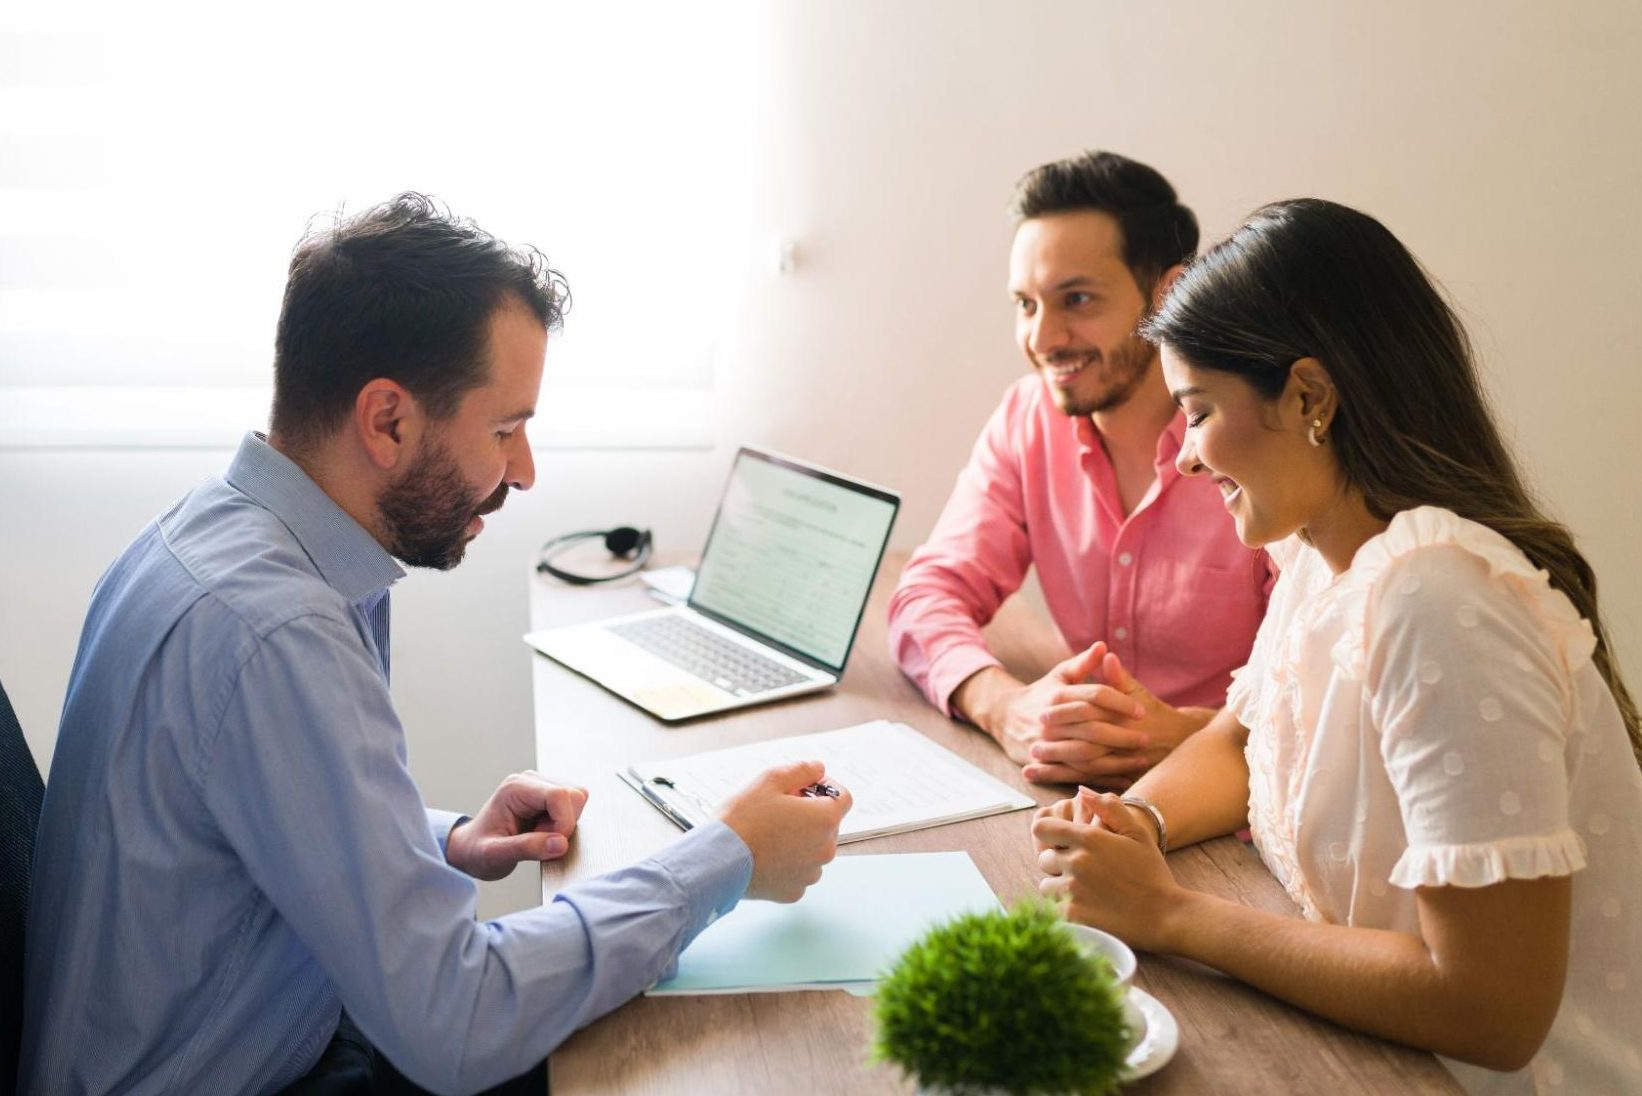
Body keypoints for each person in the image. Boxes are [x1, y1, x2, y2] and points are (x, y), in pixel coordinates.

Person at [19, 194, 852, 1096]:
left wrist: (441, 840)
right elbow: (457, 1023)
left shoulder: (209, 536)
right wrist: (727, 857)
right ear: (387, 421)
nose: (524, 470)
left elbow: (222, 821)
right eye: (504, 430)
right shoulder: (278, 629)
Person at [1033, 198, 1642, 1094]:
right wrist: (1140, 824)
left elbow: (1492, 1012)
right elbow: (1242, 739)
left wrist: (1170, 914)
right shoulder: (1326, 552)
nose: (1186, 459)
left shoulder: (1441, 600)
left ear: (1311, 397)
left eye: (1197, 412)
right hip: (1355, 1050)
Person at [887, 150, 1272, 788]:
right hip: (1083, 792)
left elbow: (1334, 688)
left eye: (1077, 299)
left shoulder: (1261, 436)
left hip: (1246, 807)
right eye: (1026, 304)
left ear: (1168, 292)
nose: (1043, 338)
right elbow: (928, 594)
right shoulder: (1028, 417)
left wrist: (1186, 735)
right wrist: (1002, 705)